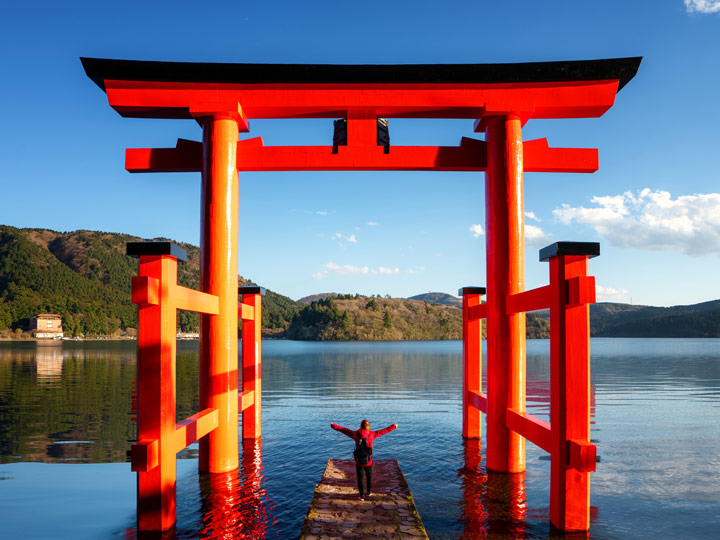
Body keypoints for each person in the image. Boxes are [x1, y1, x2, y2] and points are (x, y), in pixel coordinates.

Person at [330, 419, 397, 500]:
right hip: (368, 460)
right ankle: (368, 493)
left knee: (360, 478)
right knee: (369, 477)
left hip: (358, 461)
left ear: (360, 426)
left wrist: (334, 426)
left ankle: (361, 496)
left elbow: (344, 430)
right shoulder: (372, 434)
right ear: (368, 426)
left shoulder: (355, 434)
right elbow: (383, 431)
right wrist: (393, 427)